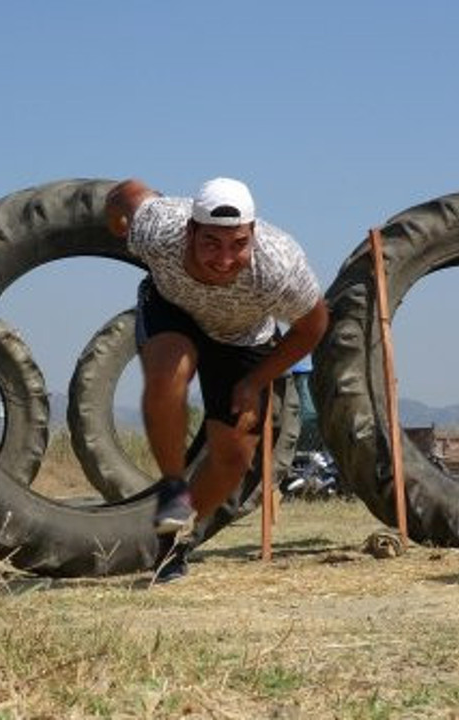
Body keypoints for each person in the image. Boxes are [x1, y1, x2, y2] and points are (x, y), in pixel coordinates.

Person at [105, 177, 328, 580]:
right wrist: (117, 227)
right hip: (174, 310)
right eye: (211, 243)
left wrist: (255, 381)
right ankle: (174, 486)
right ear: (190, 231)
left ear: (253, 234)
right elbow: (125, 192)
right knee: (172, 370)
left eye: (238, 244)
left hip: (242, 337)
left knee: (235, 455)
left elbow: (313, 327)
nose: (224, 259)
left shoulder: (279, 264)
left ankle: (177, 541)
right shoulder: (159, 227)